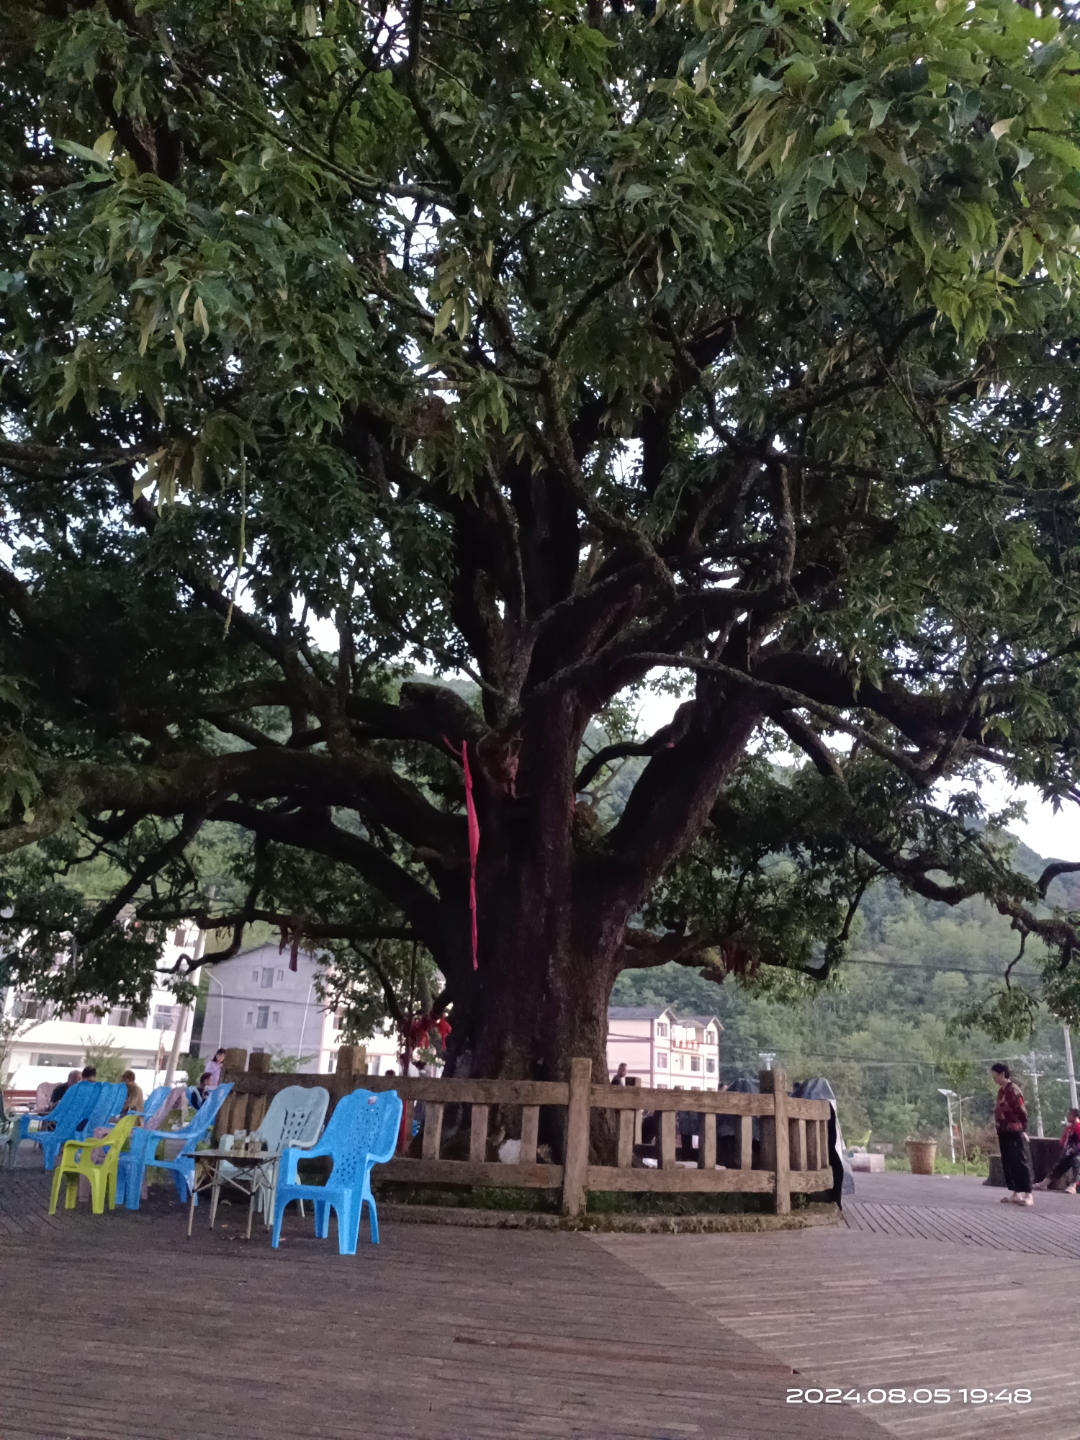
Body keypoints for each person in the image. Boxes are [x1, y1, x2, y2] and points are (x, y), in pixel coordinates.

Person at [992, 1062, 1034, 1206]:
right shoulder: (1001, 1091)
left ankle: (1028, 1194)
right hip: (1003, 1131)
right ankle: (1016, 1193)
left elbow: (1022, 1112)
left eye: (995, 1075)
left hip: (1015, 1130)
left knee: (1021, 1161)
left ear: (1002, 1074)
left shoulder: (1013, 1090)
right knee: (1009, 1162)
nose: (994, 1078)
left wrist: (1024, 1130)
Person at [1035, 1108, 1080, 1193]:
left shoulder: (1079, 1127)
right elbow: (1064, 1141)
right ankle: (1044, 1183)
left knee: (1077, 1164)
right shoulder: (1070, 1128)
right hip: (1070, 1152)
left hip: (1078, 1153)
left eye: (1068, 1115)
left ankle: (1073, 1185)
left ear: (1074, 1116)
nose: (1067, 1117)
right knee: (1060, 1165)